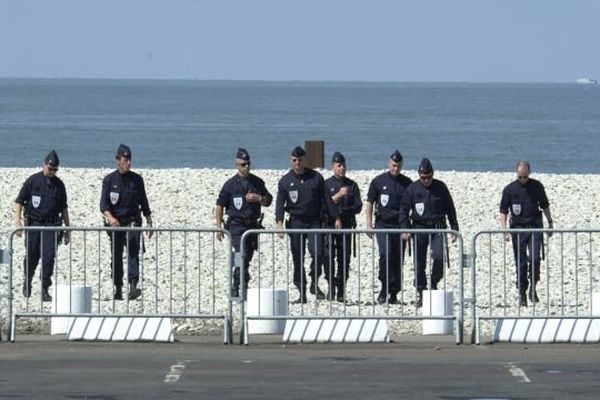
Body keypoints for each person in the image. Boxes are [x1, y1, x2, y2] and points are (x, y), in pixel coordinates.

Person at [399, 158, 459, 307]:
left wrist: (454, 227)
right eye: (423, 177)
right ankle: (421, 290)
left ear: (433, 174)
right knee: (419, 263)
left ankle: (433, 281)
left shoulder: (441, 187)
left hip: (437, 227)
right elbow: (404, 211)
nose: (426, 180)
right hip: (419, 228)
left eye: (429, 177)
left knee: (439, 257)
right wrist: (405, 229)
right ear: (419, 175)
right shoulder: (412, 189)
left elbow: (450, 209)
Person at [216, 148, 273, 298]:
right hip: (236, 225)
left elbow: (269, 201)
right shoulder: (230, 185)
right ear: (237, 165)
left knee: (247, 258)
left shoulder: (257, 182)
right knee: (240, 254)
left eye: (248, 164)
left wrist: (259, 198)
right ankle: (239, 285)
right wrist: (218, 227)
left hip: (252, 225)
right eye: (243, 164)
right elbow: (219, 205)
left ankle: (241, 284)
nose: (246, 167)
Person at [15, 150, 70, 302]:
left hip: (52, 225)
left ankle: (45, 288)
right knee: (32, 256)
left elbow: (64, 208)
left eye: (55, 169)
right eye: (50, 168)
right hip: (34, 223)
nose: (52, 171)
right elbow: (19, 201)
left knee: (48, 257)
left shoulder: (59, 185)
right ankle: (28, 279)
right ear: (44, 165)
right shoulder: (33, 181)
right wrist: (18, 222)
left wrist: (67, 229)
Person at [100, 144, 153, 301]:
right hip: (116, 224)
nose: (128, 163)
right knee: (116, 256)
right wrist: (110, 218)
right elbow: (103, 205)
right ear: (118, 160)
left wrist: (149, 221)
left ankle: (133, 286)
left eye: (129, 160)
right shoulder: (109, 180)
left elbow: (144, 202)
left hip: (132, 221)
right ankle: (118, 288)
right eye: (125, 160)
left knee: (133, 254)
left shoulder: (137, 180)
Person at [276, 146, 327, 303]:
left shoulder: (316, 177)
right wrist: (279, 224)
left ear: (305, 160)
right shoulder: (285, 181)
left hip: (314, 221)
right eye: (294, 160)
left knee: (318, 252)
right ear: (291, 160)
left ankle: (313, 280)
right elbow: (279, 203)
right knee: (297, 257)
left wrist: (335, 218)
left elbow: (325, 200)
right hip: (296, 222)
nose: (297, 163)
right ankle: (301, 291)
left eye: (300, 160)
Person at [499, 160, 553, 307]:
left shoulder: (537, 186)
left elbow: (545, 205)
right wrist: (504, 230)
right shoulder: (509, 189)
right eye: (520, 177)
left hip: (534, 228)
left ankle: (533, 287)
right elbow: (503, 211)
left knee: (535, 259)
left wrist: (550, 222)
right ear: (516, 173)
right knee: (521, 262)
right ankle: (522, 291)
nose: (522, 179)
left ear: (529, 173)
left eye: (525, 176)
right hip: (518, 230)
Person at [365, 149, 412, 304]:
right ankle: (384, 287)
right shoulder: (378, 181)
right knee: (385, 256)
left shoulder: (407, 183)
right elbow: (370, 202)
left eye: (398, 166)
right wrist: (368, 224)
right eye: (393, 165)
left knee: (398, 259)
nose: (395, 168)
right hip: (383, 224)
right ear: (388, 164)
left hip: (400, 226)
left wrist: (409, 228)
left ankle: (394, 292)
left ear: (402, 165)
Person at [323, 151, 362, 302]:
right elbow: (323, 206)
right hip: (329, 225)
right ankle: (331, 286)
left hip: (346, 225)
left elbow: (358, 206)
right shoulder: (326, 185)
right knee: (328, 257)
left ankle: (341, 289)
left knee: (344, 259)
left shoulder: (352, 185)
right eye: (338, 165)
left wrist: (341, 212)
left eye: (343, 165)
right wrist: (337, 196)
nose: (342, 168)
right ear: (332, 166)